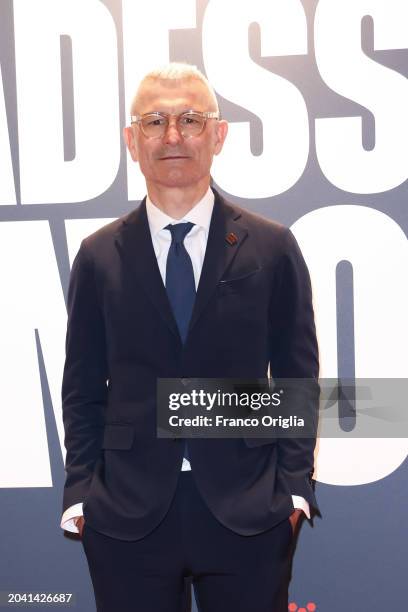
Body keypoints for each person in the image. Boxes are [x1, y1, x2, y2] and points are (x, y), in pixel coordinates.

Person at [60, 62, 319, 612]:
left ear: (218, 134)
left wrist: (293, 490)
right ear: (132, 141)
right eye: (154, 120)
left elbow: (297, 378)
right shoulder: (98, 256)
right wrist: (82, 493)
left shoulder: (272, 249)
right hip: (127, 517)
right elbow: (82, 386)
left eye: (190, 119)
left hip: (248, 513)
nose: (172, 135)